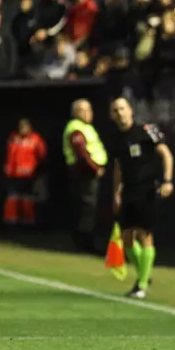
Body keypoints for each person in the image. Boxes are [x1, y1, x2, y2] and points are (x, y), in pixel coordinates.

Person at [110, 97, 174, 299]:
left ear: (130, 110)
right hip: (128, 189)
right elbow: (118, 167)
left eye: (122, 108)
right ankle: (144, 273)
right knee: (127, 239)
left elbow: (166, 154)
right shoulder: (117, 139)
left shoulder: (146, 130)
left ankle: (142, 284)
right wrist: (117, 192)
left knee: (144, 234)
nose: (120, 113)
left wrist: (167, 181)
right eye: (115, 110)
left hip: (146, 188)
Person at [63, 99, 107, 254]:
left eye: (90, 110)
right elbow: (82, 154)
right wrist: (94, 169)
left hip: (87, 174)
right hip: (84, 175)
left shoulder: (85, 127)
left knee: (88, 209)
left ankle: (86, 243)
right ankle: (84, 245)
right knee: (86, 209)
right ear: (77, 112)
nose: (90, 113)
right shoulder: (76, 129)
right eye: (85, 110)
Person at [3, 118, 46, 227]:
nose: (22, 128)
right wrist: (8, 168)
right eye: (21, 126)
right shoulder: (13, 138)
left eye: (25, 126)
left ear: (30, 127)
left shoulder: (36, 139)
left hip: (28, 175)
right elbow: (9, 154)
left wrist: (36, 169)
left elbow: (42, 155)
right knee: (12, 198)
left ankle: (27, 224)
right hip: (13, 174)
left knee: (27, 199)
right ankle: (10, 224)